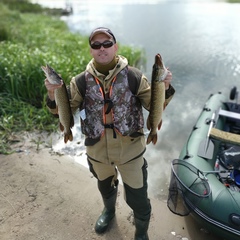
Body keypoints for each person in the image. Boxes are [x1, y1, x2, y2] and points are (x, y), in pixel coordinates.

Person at [44, 27, 175, 240]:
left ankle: (141, 232)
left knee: (139, 197)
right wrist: (52, 95)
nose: (101, 48)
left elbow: (153, 105)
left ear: (116, 47)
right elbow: (64, 109)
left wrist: (165, 88)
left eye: (106, 43)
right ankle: (109, 211)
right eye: (96, 45)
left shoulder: (134, 76)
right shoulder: (79, 81)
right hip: (97, 150)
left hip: (130, 151)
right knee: (104, 185)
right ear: (91, 50)